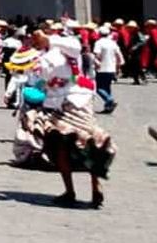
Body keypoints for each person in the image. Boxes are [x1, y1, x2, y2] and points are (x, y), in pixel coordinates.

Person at [28, 33, 116, 208]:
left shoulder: (62, 49)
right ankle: (86, 188)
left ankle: (78, 190)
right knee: (82, 143)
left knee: (74, 144)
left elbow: (46, 77)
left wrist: (48, 42)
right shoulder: (57, 52)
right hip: (71, 101)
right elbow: (45, 79)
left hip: (70, 103)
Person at [93, 26, 124, 113]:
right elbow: (118, 55)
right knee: (107, 87)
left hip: (102, 68)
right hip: (111, 68)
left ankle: (109, 100)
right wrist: (119, 66)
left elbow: (97, 55)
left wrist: (96, 64)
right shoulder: (113, 43)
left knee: (98, 87)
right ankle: (108, 107)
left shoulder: (98, 43)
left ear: (99, 34)